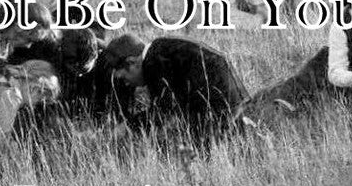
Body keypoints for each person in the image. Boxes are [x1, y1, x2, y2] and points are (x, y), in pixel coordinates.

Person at [103, 34, 248, 145]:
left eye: (124, 77)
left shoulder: (153, 63)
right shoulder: (160, 49)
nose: (127, 84)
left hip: (216, 102)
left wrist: (127, 127)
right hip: (232, 94)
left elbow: (162, 112)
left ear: (132, 62)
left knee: (192, 152)